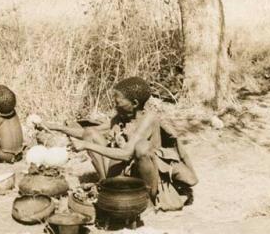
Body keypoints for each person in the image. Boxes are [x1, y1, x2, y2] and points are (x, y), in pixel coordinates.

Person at [41, 77, 198, 211]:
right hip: (126, 170)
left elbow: (126, 154)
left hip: (146, 174)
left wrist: (86, 146)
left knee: (141, 147)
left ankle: (148, 200)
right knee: (91, 134)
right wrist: (57, 127)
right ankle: (107, 187)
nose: (115, 106)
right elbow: (88, 132)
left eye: (118, 102)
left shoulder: (148, 119)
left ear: (134, 103)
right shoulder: (123, 116)